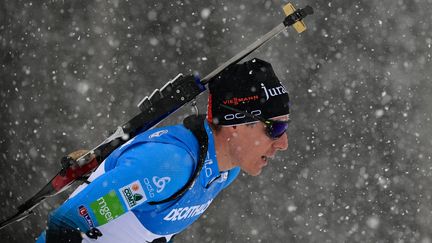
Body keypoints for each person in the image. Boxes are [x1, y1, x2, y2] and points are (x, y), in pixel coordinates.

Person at [36, 58, 290, 243]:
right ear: (234, 125)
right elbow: (67, 222)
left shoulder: (225, 170)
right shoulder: (168, 167)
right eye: (275, 129)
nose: (283, 143)